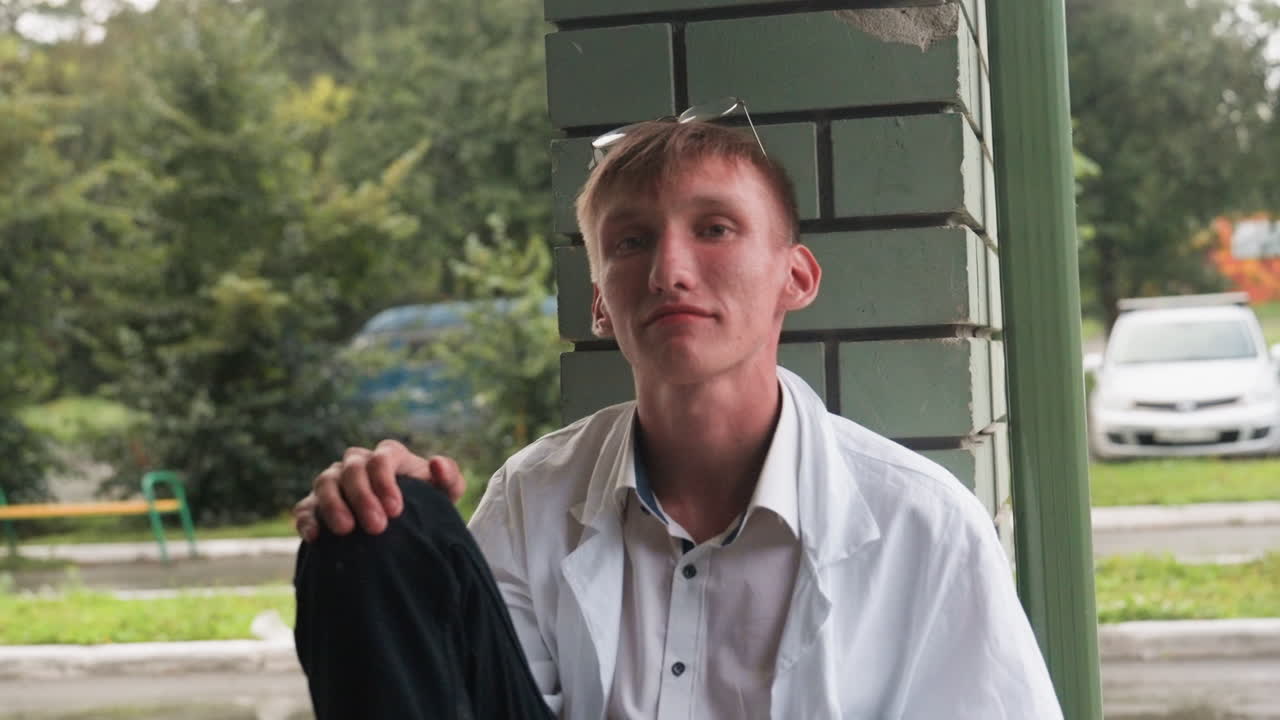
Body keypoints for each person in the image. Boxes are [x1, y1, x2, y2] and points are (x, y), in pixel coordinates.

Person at [292, 116, 1064, 719]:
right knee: (381, 526)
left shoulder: (923, 524)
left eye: (715, 228)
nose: (669, 271)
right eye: (631, 241)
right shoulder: (533, 494)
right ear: (600, 303)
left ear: (795, 277)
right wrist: (396, 516)